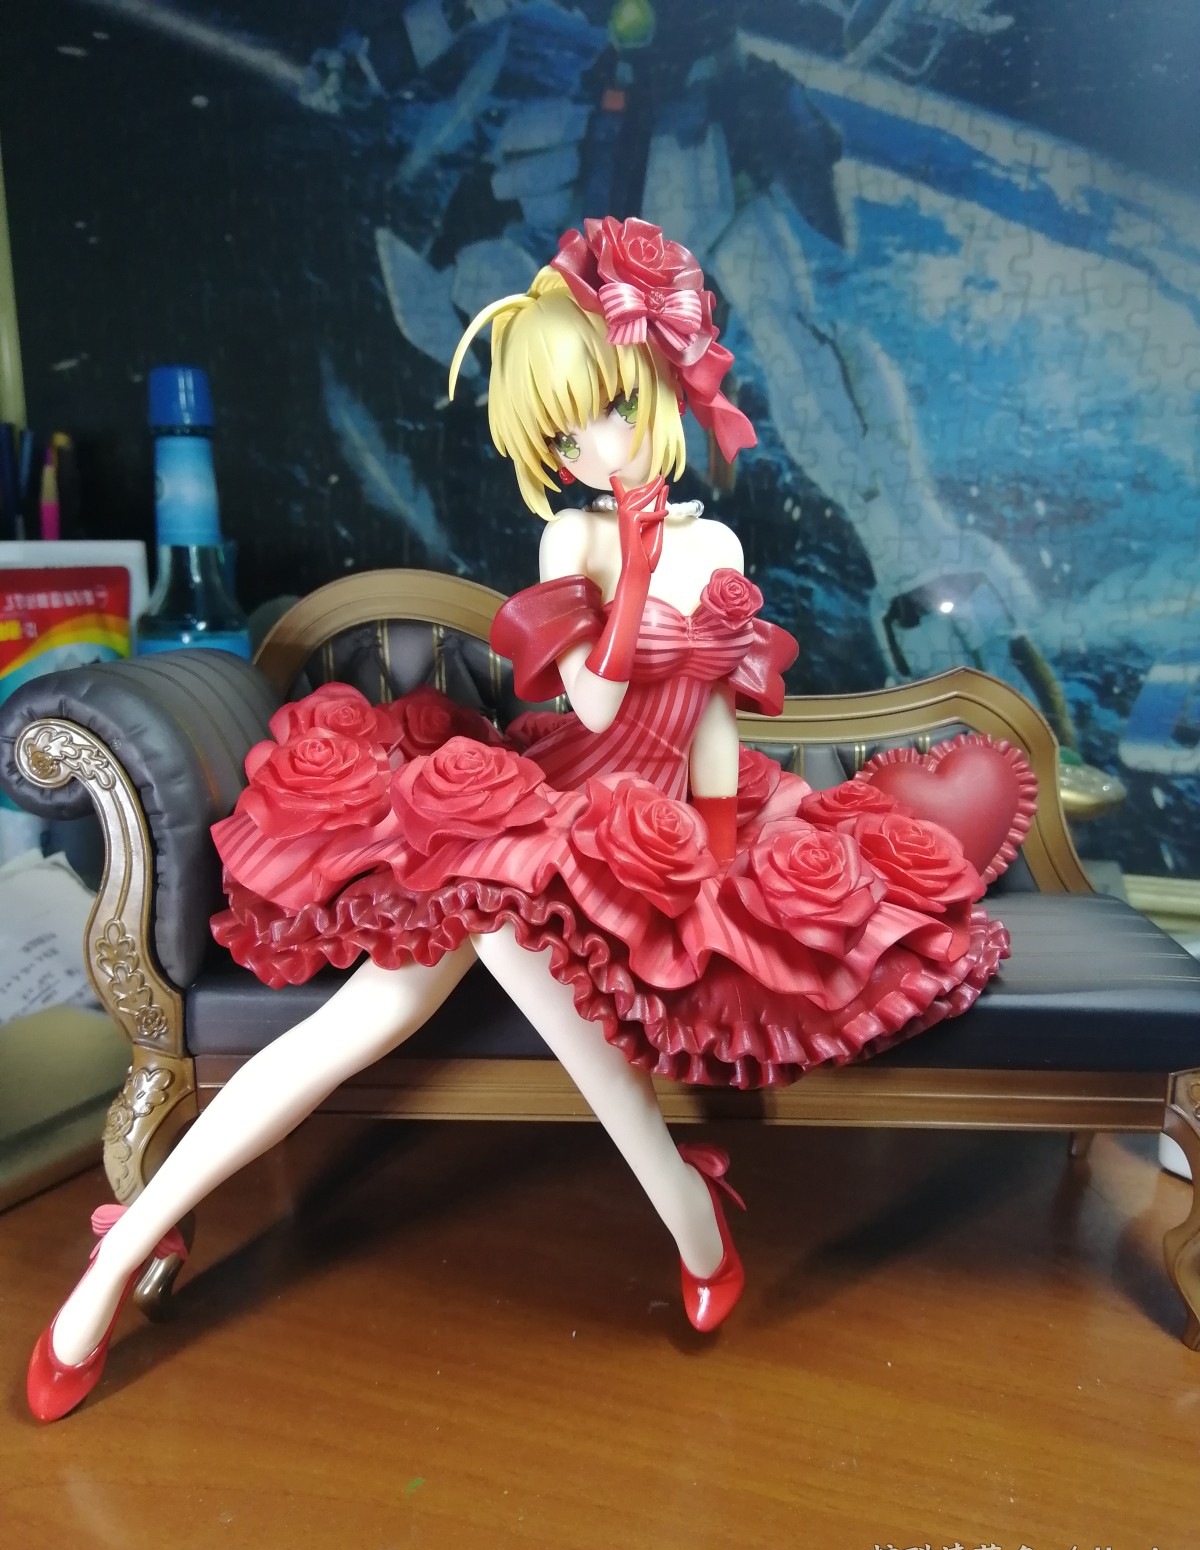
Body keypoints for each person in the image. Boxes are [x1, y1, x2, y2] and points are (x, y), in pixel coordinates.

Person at [27, 217, 1029, 1421]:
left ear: (659, 386)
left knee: (405, 995)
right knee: (376, 1010)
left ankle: (684, 1210)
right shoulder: (575, 534)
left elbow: (714, 720)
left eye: (607, 411)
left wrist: (719, 854)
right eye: (562, 433)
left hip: (657, 824)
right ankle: (128, 1252)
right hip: (554, 796)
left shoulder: (717, 540)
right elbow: (592, 701)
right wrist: (630, 565)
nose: (591, 447)